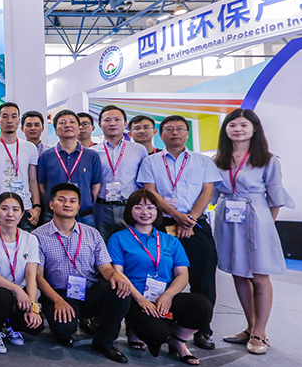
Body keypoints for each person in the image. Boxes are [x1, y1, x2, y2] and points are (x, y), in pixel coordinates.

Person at [211, 109, 294, 355]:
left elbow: (275, 198)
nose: (237, 129)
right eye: (232, 125)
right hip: (227, 217)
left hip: (257, 216)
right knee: (238, 273)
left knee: (259, 275)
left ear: (254, 128)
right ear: (225, 129)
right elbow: (210, 194)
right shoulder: (217, 160)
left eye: (243, 125)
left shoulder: (267, 159)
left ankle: (260, 331)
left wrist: (266, 226)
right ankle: (249, 326)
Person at [137, 115, 222, 350]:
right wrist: (176, 216)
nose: (175, 133)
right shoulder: (151, 161)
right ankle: (162, 323)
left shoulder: (203, 162)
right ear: (161, 133)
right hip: (162, 224)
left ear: (187, 133)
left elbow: (207, 192)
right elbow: (151, 192)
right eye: (169, 129)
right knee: (159, 275)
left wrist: (190, 219)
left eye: (180, 129)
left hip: (196, 224)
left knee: (203, 277)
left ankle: (202, 329)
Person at [108, 190, 213, 365]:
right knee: (157, 333)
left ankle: (179, 341)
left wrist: (168, 295)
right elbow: (118, 274)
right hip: (134, 297)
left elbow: (182, 275)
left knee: (203, 306)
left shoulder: (170, 240)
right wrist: (141, 300)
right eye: (138, 207)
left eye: (150, 207)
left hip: (164, 296)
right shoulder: (118, 238)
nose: (145, 212)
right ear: (129, 210)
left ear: (158, 211)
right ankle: (135, 328)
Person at [34, 183, 134, 363]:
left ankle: (104, 342)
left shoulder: (92, 233)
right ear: (51, 204)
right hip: (59, 293)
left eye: (72, 201)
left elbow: (106, 268)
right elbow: (38, 276)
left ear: (79, 206)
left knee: (121, 292)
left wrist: (115, 275)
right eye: (61, 200)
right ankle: (67, 328)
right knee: (64, 329)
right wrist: (58, 301)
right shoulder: (37, 236)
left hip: (88, 290)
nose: (67, 204)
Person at [0, 192, 44, 354]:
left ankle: (14, 327)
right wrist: (17, 289)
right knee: (3, 295)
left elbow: (31, 275)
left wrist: (32, 306)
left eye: (15, 209)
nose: (10, 214)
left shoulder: (30, 239)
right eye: (4, 209)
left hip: (21, 293)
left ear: (22, 213)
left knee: (35, 326)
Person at [37, 109, 102, 227]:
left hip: (84, 214)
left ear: (78, 128)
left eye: (72, 122)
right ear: (56, 130)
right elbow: (41, 185)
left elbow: (96, 184)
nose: (67, 125)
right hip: (54, 215)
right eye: (62, 122)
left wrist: (88, 202)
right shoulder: (46, 156)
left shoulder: (92, 155)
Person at [92, 105, 148, 241]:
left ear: (125, 124)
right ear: (100, 125)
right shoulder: (92, 152)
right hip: (101, 208)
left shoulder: (139, 149)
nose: (112, 123)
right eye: (107, 120)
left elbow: (144, 181)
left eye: (117, 119)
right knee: (102, 246)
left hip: (130, 206)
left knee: (132, 245)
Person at [0, 102, 41, 230]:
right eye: (5, 116)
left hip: (24, 207)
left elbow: (33, 180)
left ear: (19, 121)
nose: (9, 120)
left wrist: (37, 207)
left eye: (14, 116)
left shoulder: (30, 147)